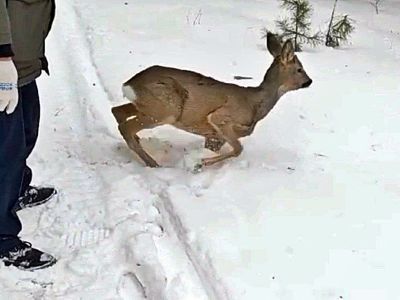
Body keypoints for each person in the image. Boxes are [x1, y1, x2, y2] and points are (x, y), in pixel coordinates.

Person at [0, 0, 57, 271]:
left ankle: (17, 189)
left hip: (21, 64)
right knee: (5, 154)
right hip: (3, 64)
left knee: (26, 131)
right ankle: (3, 237)